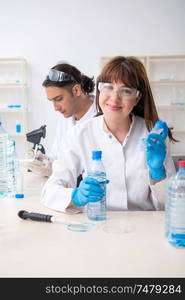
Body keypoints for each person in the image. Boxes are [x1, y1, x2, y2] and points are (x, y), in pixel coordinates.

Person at [41, 56, 176, 212]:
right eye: (108, 87)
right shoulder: (79, 135)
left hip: (143, 228)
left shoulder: (153, 135)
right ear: (99, 88)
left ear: (137, 98)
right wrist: (75, 196)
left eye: (126, 91)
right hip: (97, 224)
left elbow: (171, 205)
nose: (114, 98)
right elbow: (49, 191)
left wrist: (158, 174)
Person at [27, 63, 97, 177]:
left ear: (76, 90)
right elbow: (58, 155)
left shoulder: (102, 115)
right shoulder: (65, 118)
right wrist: (44, 162)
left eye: (59, 99)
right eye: (51, 101)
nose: (55, 107)